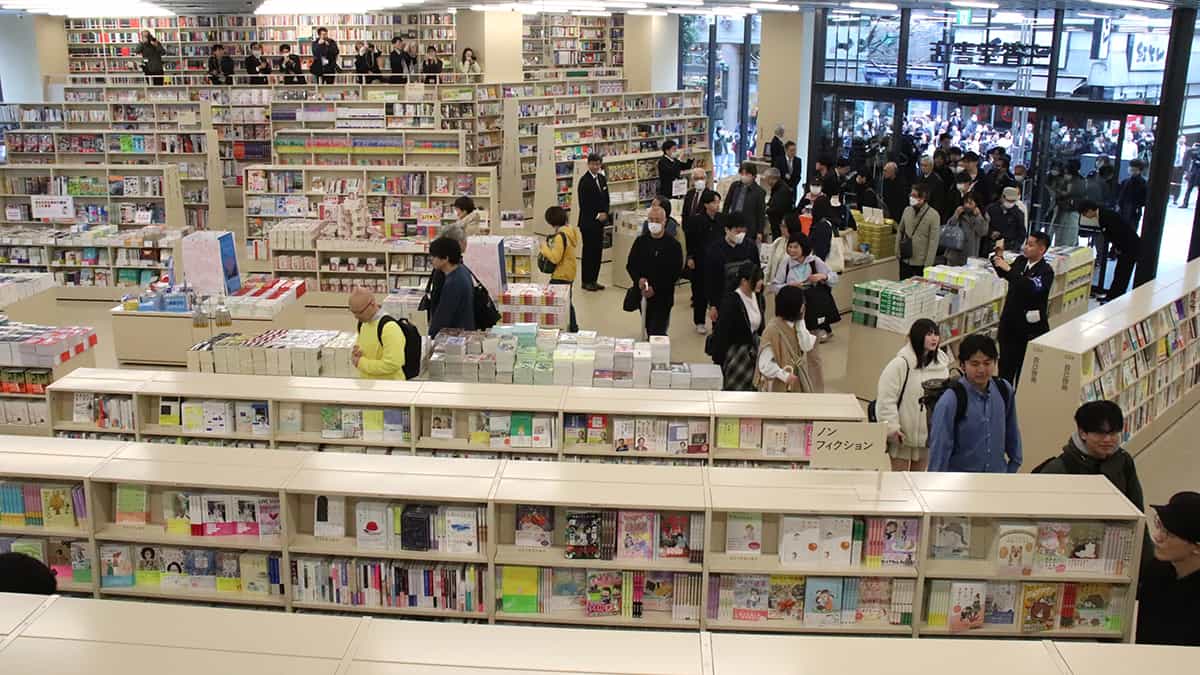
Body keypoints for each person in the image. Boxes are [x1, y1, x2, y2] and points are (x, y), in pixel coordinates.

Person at [927, 333, 1022, 473]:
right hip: (961, 481)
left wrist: (1013, 466)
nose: (981, 369)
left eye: (987, 363)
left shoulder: (1004, 390)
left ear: (995, 362)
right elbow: (939, 450)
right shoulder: (950, 400)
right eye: (975, 364)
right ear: (962, 365)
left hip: (997, 477)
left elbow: (1012, 430)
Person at [1032, 401, 1143, 507]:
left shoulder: (1124, 460)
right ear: (1083, 433)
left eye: (1113, 433)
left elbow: (1136, 507)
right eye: (1100, 433)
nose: (1108, 439)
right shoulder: (1059, 468)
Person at [875, 318, 952, 471]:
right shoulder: (900, 364)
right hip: (901, 437)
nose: (934, 338)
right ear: (918, 336)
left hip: (927, 437)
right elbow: (886, 399)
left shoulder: (942, 367)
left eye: (936, 334)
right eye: (929, 334)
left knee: (918, 480)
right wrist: (891, 427)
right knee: (899, 480)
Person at [1136, 491, 1200, 646]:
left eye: (1170, 534)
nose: (1157, 537)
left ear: (1197, 548)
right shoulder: (1157, 568)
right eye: (1160, 526)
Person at [992, 232, 1054, 387]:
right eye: (1026, 243)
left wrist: (1009, 270)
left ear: (1042, 249)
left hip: (1029, 329)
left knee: (1024, 371)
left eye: (1031, 245)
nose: (1026, 247)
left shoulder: (1046, 271)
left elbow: (1029, 286)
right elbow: (1005, 274)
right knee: (1005, 369)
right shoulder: (1020, 261)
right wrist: (998, 257)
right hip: (1009, 325)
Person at [767, 234, 839, 340]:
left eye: (795, 247)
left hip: (813, 302)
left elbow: (834, 278)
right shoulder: (786, 263)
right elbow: (774, 286)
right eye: (790, 247)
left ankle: (819, 328)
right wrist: (789, 286)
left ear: (804, 247)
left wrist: (822, 276)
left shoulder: (814, 261)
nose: (792, 250)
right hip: (794, 301)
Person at [627, 205, 684, 337]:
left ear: (665, 221)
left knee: (657, 331)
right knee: (648, 326)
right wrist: (638, 280)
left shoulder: (673, 246)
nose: (654, 223)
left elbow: (674, 273)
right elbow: (631, 265)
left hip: (663, 296)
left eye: (657, 220)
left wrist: (656, 288)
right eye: (651, 220)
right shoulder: (640, 242)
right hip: (643, 294)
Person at [756, 285, 823, 393]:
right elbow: (764, 364)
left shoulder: (796, 324)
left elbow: (806, 346)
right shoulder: (772, 330)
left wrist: (801, 322)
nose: (804, 306)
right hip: (779, 384)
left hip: (796, 379)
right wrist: (784, 375)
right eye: (802, 304)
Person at [711, 261, 766, 391]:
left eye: (761, 279)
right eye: (756, 280)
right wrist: (719, 360)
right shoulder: (732, 301)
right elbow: (722, 332)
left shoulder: (758, 297)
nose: (760, 283)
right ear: (743, 281)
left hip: (755, 351)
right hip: (737, 355)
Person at [1079, 200, 1141, 302]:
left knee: (1122, 273)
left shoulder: (1105, 216)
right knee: (1120, 272)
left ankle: (1115, 297)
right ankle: (1113, 295)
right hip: (1125, 246)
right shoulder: (1103, 214)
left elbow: (1117, 233)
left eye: (1085, 214)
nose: (1086, 216)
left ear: (1089, 210)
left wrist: (1118, 248)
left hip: (1129, 247)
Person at [704, 217, 760, 329]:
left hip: (747, 300)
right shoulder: (715, 250)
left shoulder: (750, 247)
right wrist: (713, 305)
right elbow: (710, 279)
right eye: (737, 232)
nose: (741, 235)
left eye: (743, 232)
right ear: (727, 230)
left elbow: (757, 272)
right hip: (723, 301)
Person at [347, 287, 407, 380]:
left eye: (360, 312)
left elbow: (392, 364)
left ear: (372, 304)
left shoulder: (389, 327)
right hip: (368, 384)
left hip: (389, 386)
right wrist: (357, 353)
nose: (356, 317)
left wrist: (361, 363)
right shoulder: (363, 323)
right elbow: (364, 348)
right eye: (353, 312)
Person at [684, 186, 720, 334]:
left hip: (717, 262)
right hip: (700, 260)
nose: (717, 205)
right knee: (699, 292)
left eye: (718, 202)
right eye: (714, 202)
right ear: (706, 204)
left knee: (716, 292)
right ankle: (699, 321)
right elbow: (690, 240)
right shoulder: (696, 220)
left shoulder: (721, 219)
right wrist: (690, 257)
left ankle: (717, 321)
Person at [539, 206, 579, 333]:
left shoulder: (560, 237)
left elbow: (555, 258)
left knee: (557, 301)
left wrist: (544, 248)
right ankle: (573, 327)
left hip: (560, 274)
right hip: (570, 271)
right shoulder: (570, 231)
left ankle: (568, 327)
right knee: (567, 300)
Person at [426, 236, 475, 337]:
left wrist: (431, 335)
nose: (431, 259)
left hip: (456, 335)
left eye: (434, 256)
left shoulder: (454, 282)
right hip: (465, 329)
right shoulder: (462, 270)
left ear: (446, 258)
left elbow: (443, 315)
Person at [576, 153, 610, 292]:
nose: (595, 166)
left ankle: (594, 280)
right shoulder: (584, 181)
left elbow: (606, 198)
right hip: (588, 223)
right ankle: (586, 281)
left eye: (598, 164)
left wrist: (605, 212)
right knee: (589, 252)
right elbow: (584, 204)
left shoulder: (602, 178)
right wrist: (597, 215)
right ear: (588, 164)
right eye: (593, 164)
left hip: (600, 222)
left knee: (597, 252)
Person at [897, 183, 940, 280]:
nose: (911, 198)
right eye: (911, 195)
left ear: (923, 198)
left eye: (914, 196)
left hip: (920, 262)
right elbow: (900, 230)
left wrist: (928, 265)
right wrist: (897, 250)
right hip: (905, 258)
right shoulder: (907, 210)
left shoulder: (934, 215)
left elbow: (933, 242)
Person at [722, 161, 767, 242]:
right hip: (733, 224)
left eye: (747, 174)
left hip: (749, 227)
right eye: (742, 174)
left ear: (753, 176)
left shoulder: (759, 192)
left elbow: (760, 213)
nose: (744, 176)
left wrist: (760, 231)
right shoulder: (735, 186)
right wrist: (724, 221)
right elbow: (727, 204)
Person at [943, 193, 988, 266]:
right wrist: (956, 215)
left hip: (970, 253)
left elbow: (982, 232)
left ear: (976, 204)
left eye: (970, 203)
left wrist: (978, 217)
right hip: (954, 252)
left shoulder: (982, 215)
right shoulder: (959, 212)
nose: (967, 205)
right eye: (965, 202)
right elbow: (948, 228)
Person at [984, 186, 1027, 254]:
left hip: (1009, 249)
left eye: (1013, 201)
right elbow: (984, 226)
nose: (1010, 203)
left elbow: (1022, 235)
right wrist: (990, 232)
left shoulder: (1018, 214)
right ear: (1002, 197)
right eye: (1008, 200)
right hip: (991, 246)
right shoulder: (991, 209)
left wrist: (1013, 247)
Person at [763, 167, 794, 240]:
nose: (767, 182)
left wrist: (766, 210)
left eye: (767, 179)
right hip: (775, 222)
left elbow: (778, 208)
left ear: (772, 178)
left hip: (780, 223)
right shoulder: (776, 188)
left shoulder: (783, 190)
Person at [1117, 158, 1148, 227]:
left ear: (1139, 171)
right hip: (1124, 209)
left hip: (1133, 210)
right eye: (1131, 169)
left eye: (1134, 170)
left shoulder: (1142, 183)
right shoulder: (1125, 181)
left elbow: (1144, 199)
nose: (1132, 171)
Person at [1181, 142, 1200, 208]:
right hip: (1193, 174)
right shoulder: (1193, 152)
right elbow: (1189, 153)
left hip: (1197, 174)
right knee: (1188, 189)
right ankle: (1185, 203)